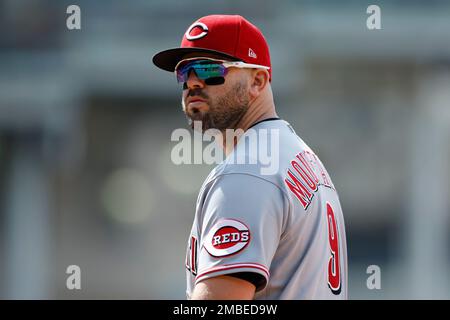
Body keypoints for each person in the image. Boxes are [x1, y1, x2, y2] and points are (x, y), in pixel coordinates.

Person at [152, 14, 347, 300]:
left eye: (208, 69)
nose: (192, 82)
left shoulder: (247, 171)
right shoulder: (297, 154)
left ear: (257, 81)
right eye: (184, 72)